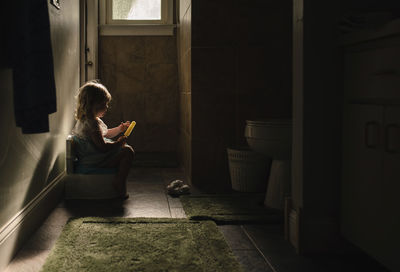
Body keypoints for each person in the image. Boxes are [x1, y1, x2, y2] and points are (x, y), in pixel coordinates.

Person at [72, 80, 134, 199]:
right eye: (104, 104)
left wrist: (119, 129)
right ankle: (119, 182)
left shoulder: (85, 120)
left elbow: (105, 134)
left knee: (124, 149)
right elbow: (103, 147)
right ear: (92, 104)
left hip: (91, 157)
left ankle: (118, 180)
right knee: (128, 152)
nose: (106, 107)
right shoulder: (93, 123)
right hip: (96, 160)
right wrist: (118, 143)